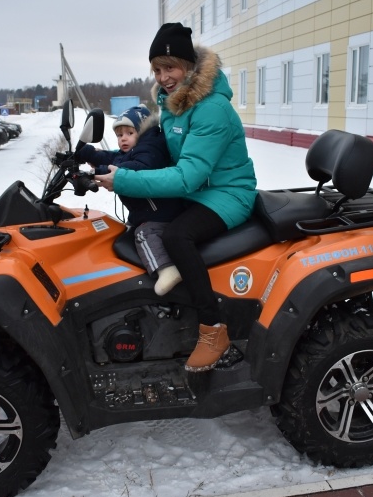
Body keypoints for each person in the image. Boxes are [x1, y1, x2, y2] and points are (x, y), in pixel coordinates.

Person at [95, 22, 258, 372]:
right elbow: (166, 154)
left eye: (170, 67)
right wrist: (116, 163)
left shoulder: (211, 108)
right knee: (145, 225)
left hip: (227, 192)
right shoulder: (173, 105)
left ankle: (213, 329)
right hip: (202, 191)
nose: (163, 76)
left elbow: (188, 176)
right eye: (156, 69)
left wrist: (124, 180)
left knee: (175, 235)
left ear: (188, 67)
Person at [75, 105, 185, 296]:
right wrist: (87, 153)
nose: (123, 138)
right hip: (149, 213)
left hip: (160, 215)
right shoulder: (132, 150)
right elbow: (112, 157)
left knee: (143, 234)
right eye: (119, 135)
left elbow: (136, 167)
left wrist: (99, 172)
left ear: (142, 132)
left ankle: (166, 269)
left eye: (129, 132)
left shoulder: (151, 149)